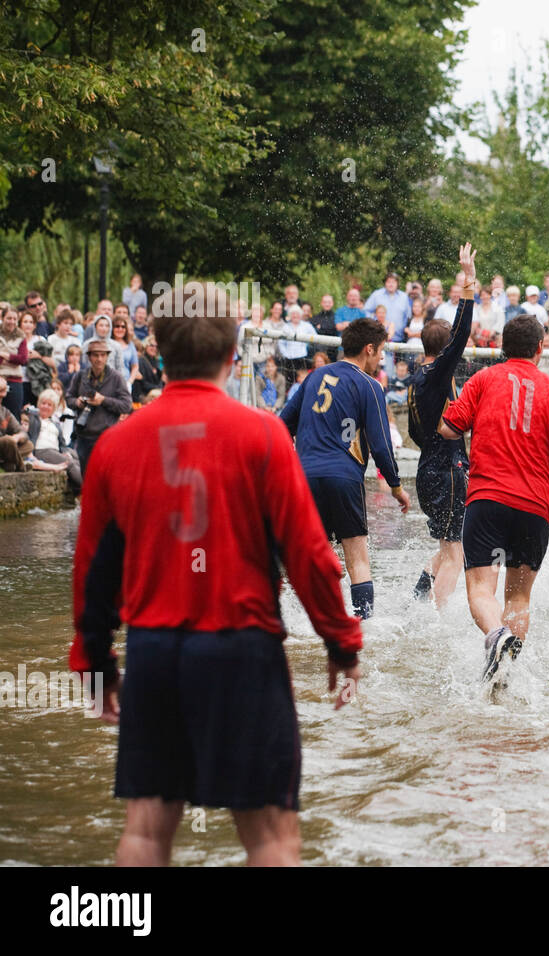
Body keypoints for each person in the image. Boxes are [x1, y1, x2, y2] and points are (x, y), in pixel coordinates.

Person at [69, 283, 363, 866]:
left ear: (155, 346)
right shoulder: (262, 436)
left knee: (146, 831)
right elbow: (308, 555)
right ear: (234, 352)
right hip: (243, 650)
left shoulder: (116, 445)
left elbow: (93, 573)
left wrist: (95, 663)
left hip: (154, 651)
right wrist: (341, 641)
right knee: (273, 837)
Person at [438, 315, 549, 683]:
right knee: (519, 599)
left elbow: (448, 428)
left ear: (502, 347)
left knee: (480, 589)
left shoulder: (482, 380)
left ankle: (496, 637)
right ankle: (506, 676)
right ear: (541, 348)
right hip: (535, 508)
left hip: (487, 499)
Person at [280, 318, 410, 619]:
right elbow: (381, 447)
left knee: (312, 558)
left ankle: (309, 624)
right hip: (343, 478)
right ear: (368, 348)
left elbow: (282, 424)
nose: (381, 359)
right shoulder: (369, 385)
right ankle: (363, 627)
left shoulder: (314, 377)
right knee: (357, 560)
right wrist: (396, 487)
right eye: (381, 352)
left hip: (306, 480)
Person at [407, 242, 477, 610]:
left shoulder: (417, 377)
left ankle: (416, 600)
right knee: (456, 553)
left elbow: (417, 433)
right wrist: (468, 285)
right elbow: (462, 334)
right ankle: (435, 620)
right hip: (446, 471)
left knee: (445, 547)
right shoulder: (436, 375)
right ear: (446, 347)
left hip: (427, 468)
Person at [67, 339, 132, 477]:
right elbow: (68, 398)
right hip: (84, 435)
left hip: (106, 435)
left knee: (106, 475)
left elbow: (127, 405)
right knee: (86, 477)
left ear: (107, 356)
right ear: (89, 357)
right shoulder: (81, 376)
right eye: (96, 355)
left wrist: (103, 400)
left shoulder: (116, 378)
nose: (99, 359)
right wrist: (78, 402)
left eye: (103, 355)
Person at [26, 387, 82, 492]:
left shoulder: (55, 423)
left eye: (49, 405)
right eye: (43, 403)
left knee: (78, 460)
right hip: (41, 450)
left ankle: (79, 490)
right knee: (69, 464)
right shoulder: (33, 419)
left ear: (54, 408)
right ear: (39, 404)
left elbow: (62, 443)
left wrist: (65, 452)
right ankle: (90, 490)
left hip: (55, 450)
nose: (46, 407)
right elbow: (26, 415)